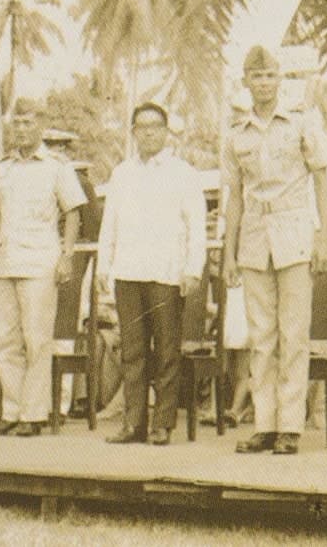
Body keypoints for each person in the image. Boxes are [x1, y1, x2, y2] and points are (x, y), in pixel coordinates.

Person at [223, 45, 327, 455]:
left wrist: (324, 236)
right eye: (257, 76)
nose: (265, 83)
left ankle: (291, 424)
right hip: (254, 234)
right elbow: (233, 196)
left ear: (281, 79)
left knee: (293, 332)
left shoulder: (301, 123)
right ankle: (265, 423)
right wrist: (229, 252)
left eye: (271, 75)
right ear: (246, 82)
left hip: (294, 230)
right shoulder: (237, 135)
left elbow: (323, 181)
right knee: (261, 336)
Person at [97, 102, 207, 446]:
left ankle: (162, 424)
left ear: (166, 130)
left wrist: (193, 268)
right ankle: (134, 423)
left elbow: (197, 226)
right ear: (133, 132)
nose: (149, 132)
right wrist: (104, 265)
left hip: (166, 272)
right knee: (132, 350)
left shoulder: (183, 173)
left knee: (166, 351)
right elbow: (109, 223)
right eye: (142, 126)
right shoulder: (121, 173)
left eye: (156, 126)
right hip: (129, 271)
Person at [0, 98, 86, 437]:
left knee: (37, 339)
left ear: (40, 126)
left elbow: (73, 212)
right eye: (17, 123)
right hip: (4, 259)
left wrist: (67, 255)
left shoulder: (57, 166)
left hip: (40, 259)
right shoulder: (6, 167)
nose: (22, 130)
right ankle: (13, 410)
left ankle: (34, 414)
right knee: (5, 340)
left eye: (28, 123)